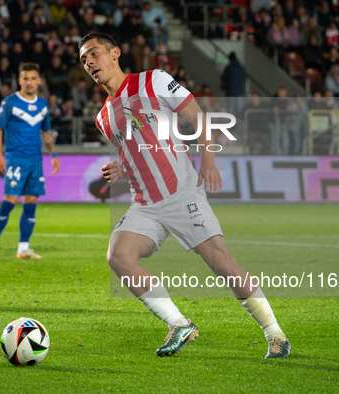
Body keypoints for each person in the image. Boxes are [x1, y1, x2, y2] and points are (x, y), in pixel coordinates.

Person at [79, 33, 291, 359]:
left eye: (94, 53)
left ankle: (274, 333)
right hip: (145, 204)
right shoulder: (103, 117)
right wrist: (121, 169)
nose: (89, 62)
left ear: (115, 53)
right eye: (84, 60)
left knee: (222, 263)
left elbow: (198, 117)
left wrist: (208, 160)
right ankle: (179, 323)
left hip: (181, 194)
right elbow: (135, 151)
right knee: (118, 256)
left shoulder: (155, 80)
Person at [0, 62, 61, 261]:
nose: (29, 82)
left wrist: (53, 154)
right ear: (20, 80)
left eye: (33, 78)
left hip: (35, 160)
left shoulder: (43, 104)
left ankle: (23, 248)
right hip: (16, 159)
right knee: (9, 201)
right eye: (25, 78)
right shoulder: (9, 103)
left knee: (31, 201)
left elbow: (46, 131)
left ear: (39, 81)